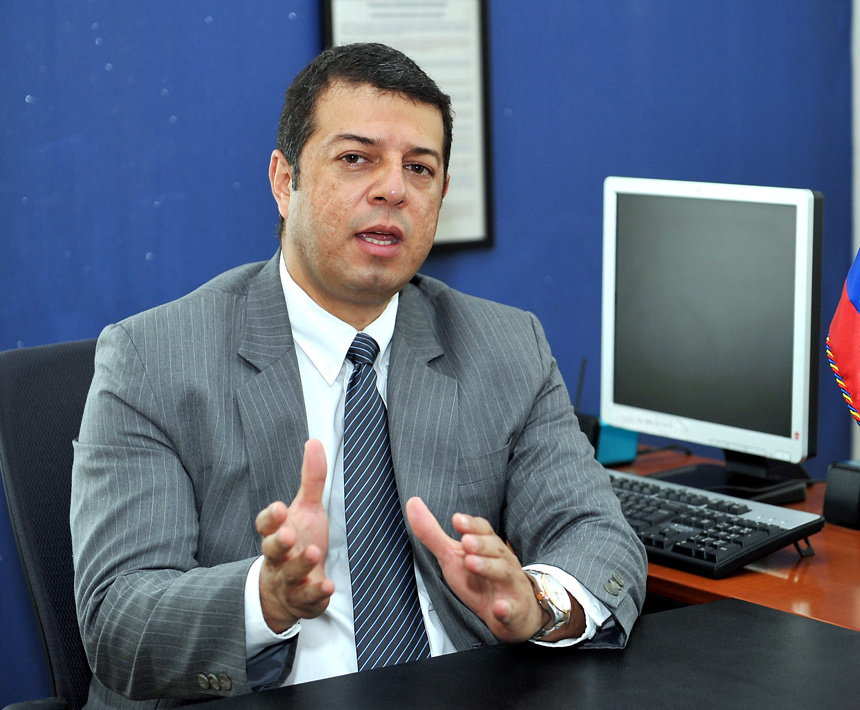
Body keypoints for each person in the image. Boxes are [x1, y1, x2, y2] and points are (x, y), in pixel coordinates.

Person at [71, 42, 646, 708]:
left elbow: (599, 534)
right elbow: (120, 619)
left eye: (420, 168)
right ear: (285, 182)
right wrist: (266, 597)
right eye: (355, 159)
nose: (394, 188)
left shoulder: (505, 345)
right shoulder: (153, 359)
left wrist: (536, 601)